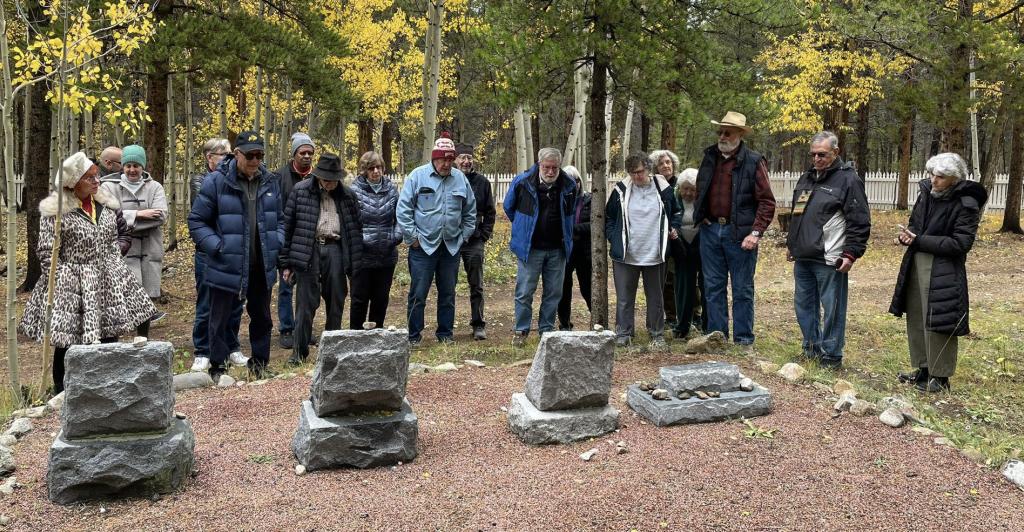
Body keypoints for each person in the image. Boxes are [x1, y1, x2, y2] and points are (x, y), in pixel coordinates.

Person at [19, 152, 156, 393]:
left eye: (97, 176)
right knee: (68, 339)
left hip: (107, 278)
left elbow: (117, 236)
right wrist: (63, 281)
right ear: (73, 182)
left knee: (109, 333)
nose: (97, 181)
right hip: (71, 282)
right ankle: (62, 390)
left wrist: (115, 256)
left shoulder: (105, 204)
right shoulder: (57, 211)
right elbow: (46, 252)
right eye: (90, 178)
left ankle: (106, 387)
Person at [189, 130, 283, 380]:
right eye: (250, 155)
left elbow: (281, 220)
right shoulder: (216, 182)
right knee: (218, 318)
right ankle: (218, 368)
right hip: (225, 262)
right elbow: (197, 221)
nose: (255, 160)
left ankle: (260, 365)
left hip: (261, 264)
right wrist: (217, 247)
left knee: (262, 317)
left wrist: (277, 241)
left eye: (259, 155)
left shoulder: (270, 181)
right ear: (236, 154)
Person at [890, 153, 986, 392]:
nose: (934, 180)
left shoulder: (966, 202)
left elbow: (961, 244)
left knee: (938, 320)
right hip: (917, 261)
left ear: (954, 179)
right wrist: (908, 235)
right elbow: (915, 224)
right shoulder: (926, 194)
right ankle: (923, 370)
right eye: (932, 174)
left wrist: (919, 240)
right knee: (917, 316)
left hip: (943, 268)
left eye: (940, 176)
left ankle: (940, 378)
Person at [785, 131, 871, 369]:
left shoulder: (848, 180)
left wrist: (851, 253)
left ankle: (832, 355)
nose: (816, 159)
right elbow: (798, 213)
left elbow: (860, 221)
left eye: (822, 154)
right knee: (803, 304)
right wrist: (792, 243)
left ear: (836, 152)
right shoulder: (807, 177)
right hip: (803, 255)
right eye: (813, 154)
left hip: (830, 257)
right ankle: (811, 348)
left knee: (832, 307)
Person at [694, 111, 776, 347]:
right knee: (712, 287)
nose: (722, 136)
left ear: (740, 134)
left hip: (740, 235)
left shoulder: (753, 160)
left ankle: (743, 341)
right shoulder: (710, 156)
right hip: (710, 232)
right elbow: (701, 188)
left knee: (742, 289)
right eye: (720, 131)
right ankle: (717, 338)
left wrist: (756, 232)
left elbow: (767, 201)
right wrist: (702, 217)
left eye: (727, 132)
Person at [280, 154, 362, 365]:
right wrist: (286, 263)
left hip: (335, 249)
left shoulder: (348, 196)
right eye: (326, 179)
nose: (329, 183)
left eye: (333, 179)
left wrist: (354, 266)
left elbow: (354, 232)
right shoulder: (301, 192)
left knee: (336, 302)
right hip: (309, 250)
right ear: (318, 177)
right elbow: (287, 228)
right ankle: (299, 352)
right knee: (305, 305)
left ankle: (331, 352)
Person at [396, 133, 476, 344]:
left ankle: (445, 334)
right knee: (418, 294)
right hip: (422, 247)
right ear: (434, 158)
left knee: (448, 294)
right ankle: (413, 336)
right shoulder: (417, 176)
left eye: (451, 160)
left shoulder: (460, 179)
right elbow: (403, 210)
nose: (447, 164)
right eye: (443, 159)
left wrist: (464, 236)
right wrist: (412, 238)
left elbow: (470, 211)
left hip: (450, 247)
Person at [606, 152, 682, 348]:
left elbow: (676, 211)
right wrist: (614, 239)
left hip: (655, 253)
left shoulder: (663, 188)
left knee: (656, 297)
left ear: (649, 169)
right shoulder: (621, 190)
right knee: (624, 297)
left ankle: (656, 333)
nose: (636, 177)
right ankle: (624, 333)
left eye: (639, 172)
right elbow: (609, 218)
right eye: (632, 173)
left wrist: (674, 228)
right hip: (626, 254)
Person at [505, 148, 577, 346]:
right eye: (547, 167)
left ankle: (546, 329)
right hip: (530, 249)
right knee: (525, 291)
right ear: (539, 165)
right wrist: (523, 228)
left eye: (555, 168)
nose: (551, 171)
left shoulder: (569, 185)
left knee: (553, 292)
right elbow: (509, 208)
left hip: (557, 249)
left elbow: (570, 215)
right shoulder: (522, 182)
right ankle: (521, 330)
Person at [189, 138, 244, 373]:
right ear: (209, 157)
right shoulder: (201, 180)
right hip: (208, 253)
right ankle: (202, 351)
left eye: (230, 153)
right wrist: (217, 245)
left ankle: (232, 347)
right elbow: (209, 213)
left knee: (234, 304)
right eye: (223, 154)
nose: (228, 158)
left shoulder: (236, 180)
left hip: (235, 253)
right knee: (206, 304)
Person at [99, 145, 168, 322]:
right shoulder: (108, 187)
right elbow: (107, 216)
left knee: (147, 290)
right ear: (122, 166)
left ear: (142, 167)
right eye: (128, 165)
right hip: (123, 248)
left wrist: (126, 220)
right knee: (128, 288)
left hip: (150, 246)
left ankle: (143, 334)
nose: (132, 170)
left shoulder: (155, 187)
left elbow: (160, 216)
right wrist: (138, 214)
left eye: (136, 166)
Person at [349, 151, 401, 330]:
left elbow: (400, 217)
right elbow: (350, 222)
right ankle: (355, 335)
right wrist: (362, 240)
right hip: (362, 255)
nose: (376, 172)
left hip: (386, 253)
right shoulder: (354, 191)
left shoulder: (392, 189)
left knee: (381, 298)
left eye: (379, 167)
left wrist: (395, 237)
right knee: (359, 298)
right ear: (364, 170)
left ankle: (377, 334)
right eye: (371, 168)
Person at [273, 132, 315, 349]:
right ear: (294, 154)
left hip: (310, 241)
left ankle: (304, 328)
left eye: (310, 152)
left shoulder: (317, 177)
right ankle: (286, 328)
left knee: (308, 288)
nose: (307, 156)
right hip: (287, 239)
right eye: (303, 152)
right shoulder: (280, 178)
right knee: (286, 286)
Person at [454, 143, 496, 340]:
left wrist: (484, 234)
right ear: (455, 160)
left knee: (476, 284)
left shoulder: (482, 182)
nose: (466, 161)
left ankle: (478, 324)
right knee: (448, 284)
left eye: (469, 157)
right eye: (461, 157)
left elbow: (490, 212)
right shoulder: (449, 180)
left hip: (474, 241)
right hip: (451, 240)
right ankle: (446, 327)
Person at [650, 149, 683, 330]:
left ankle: (693, 314)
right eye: (661, 163)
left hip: (682, 236)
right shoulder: (652, 186)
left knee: (687, 278)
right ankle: (670, 316)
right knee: (667, 279)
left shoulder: (681, 183)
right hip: (660, 239)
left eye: (668, 162)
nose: (666, 166)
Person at [671, 168, 706, 339]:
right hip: (681, 247)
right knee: (684, 287)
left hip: (702, 246)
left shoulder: (704, 200)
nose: (688, 193)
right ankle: (682, 325)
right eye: (685, 188)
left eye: (692, 189)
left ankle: (707, 324)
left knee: (706, 286)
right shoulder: (675, 199)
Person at [557, 165, 592, 330]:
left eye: (575, 180)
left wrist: (572, 229)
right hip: (565, 251)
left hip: (585, 252)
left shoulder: (590, 199)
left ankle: (598, 321)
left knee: (588, 288)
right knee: (563, 289)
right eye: (568, 181)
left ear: (580, 182)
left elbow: (596, 225)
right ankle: (564, 324)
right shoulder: (559, 201)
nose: (573, 184)